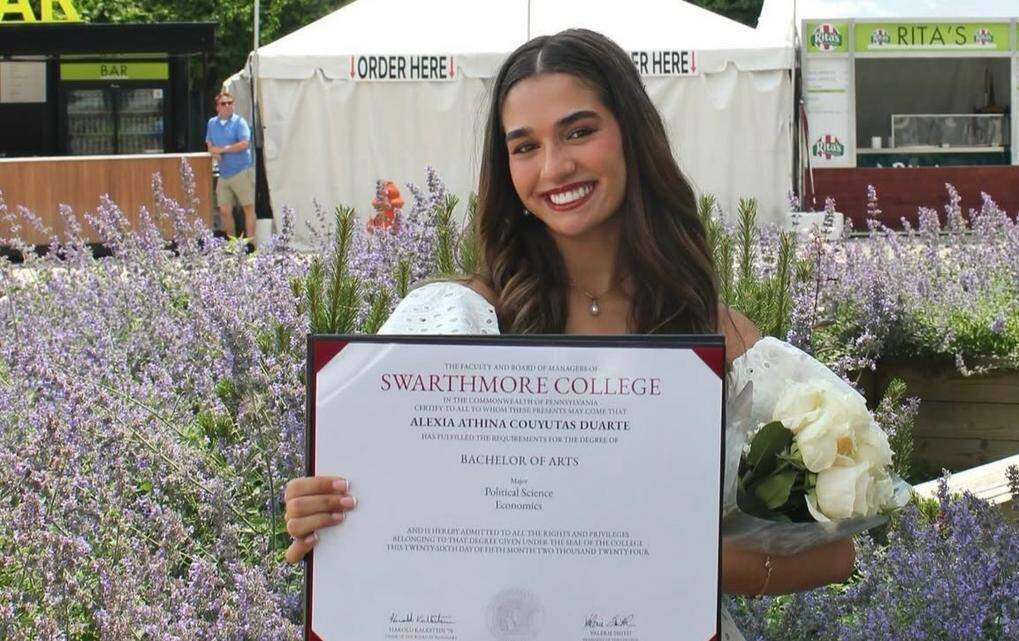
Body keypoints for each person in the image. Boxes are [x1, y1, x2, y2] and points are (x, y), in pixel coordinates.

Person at [283, 29, 855, 601]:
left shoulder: (719, 340)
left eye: (579, 132)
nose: (554, 167)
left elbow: (836, 552)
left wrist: (678, 556)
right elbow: (378, 514)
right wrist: (324, 516)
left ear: (631, 135)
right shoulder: (454, 322)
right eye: (525, 146)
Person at [206, 91, 255, 240]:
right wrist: (214, 151)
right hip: (224, 174)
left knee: (248, 208)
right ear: (217, 107)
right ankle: (233, 245)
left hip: (241, 171)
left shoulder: (239, 122)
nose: (227, 106)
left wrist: (223, 149)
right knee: (224, 210)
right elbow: (210, 145)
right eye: (223, 104)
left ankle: (252, 245)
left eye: (230, 103)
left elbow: (245, 143)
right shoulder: (212, 123)